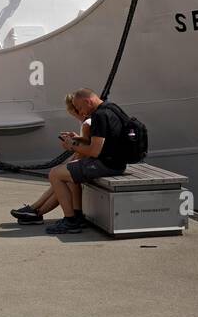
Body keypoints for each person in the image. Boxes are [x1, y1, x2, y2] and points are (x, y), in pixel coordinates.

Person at [44, 87, 133, 234]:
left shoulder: (99, 116)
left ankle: (70, 221)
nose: (82, 113)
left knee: (55, 174)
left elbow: (94, 151)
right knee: (71, 174)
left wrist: (72, 145)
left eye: (80, 107)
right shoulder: (111, 108)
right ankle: (78, 216)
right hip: (117, 162)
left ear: (88, 101)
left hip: (107, 165)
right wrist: (79, 139)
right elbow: (104, 141)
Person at [9, 94, 89, 225]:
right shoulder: (86, 122)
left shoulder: (87, 123)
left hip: (90, 164)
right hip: (86, 161)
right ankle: (34, 211)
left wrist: (73, 147)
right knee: (60, 180)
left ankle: (35, 210)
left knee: (61, 180)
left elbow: (87, 149)